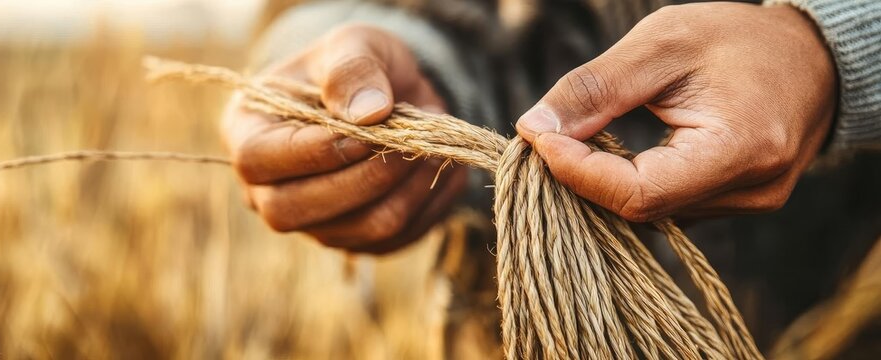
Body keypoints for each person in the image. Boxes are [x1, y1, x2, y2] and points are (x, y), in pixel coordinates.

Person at [223, 0, 881, 345]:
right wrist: (342, 57)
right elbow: (307, 9)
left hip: (846, 299)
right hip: (516, 312)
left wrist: (835, 45)